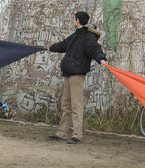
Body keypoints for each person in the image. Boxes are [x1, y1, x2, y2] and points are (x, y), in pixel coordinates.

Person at [45, 11, 107, 144]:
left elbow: (95, 49)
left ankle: (77, 135)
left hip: (77, 75)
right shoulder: (76, 35)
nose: (73, 20)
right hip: (68, 73)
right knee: (65, 104)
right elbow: (63, 45)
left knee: (76, 105)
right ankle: (61, 133)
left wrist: (101, 59)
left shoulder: (88, 37)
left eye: (74, 18)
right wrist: (50, 48)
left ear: (78, 20)